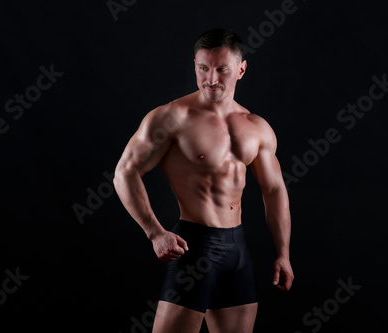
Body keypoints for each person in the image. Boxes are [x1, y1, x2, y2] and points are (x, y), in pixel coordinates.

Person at [113, 28, 294, 333]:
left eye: (222, 70)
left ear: (241, 69)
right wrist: (155, 233)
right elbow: (124, 172)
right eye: (202, 68)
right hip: (194, 247)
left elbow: (274, 189)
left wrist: (283, 254)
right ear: (194, 65)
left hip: (238, 250)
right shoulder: (172, 117)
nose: (211, 79)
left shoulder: (257, 127)